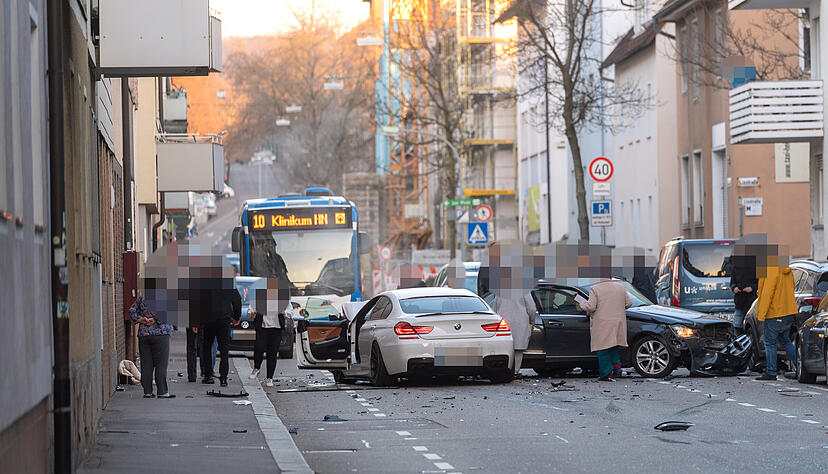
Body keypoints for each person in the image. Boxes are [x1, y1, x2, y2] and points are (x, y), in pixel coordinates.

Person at [578, 279, 632, 381]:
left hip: (603, 322)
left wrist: (582, 303)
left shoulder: (595, 289)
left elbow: (591, 307)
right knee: (613, 346)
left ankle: (606, 374)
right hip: (618, 321)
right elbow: (629, 303)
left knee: (603, 349)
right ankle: (617, 368)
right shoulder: (620, 287)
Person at [755, 248, 797, 381]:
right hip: (788, 311)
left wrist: (761, 314)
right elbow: (792, 288)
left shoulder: (770, 269)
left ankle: (771, 372)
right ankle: (801, 367)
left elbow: (767, 292)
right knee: (786, 341)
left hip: (774, 312)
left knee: (770, 342)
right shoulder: (787, 270)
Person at [201, 267, 242, 386]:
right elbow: (237, 300)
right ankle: (223, 377)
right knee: (224, 349)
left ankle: (208, 375)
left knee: (207, 347)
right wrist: (236, 317)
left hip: (209, 319)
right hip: (224, 319)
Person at [129, 296, 176, 398]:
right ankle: (162, 391)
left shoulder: (142, 298)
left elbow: (132, 311)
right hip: (161, 333)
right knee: (161, 363)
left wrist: (142, 319)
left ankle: (147, 391)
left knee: (146, 364)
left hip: (144, 334)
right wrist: (155, 320)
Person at [730, 240, 759, 335]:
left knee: (751, 325)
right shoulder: (736, 265)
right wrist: (734, 288)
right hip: (740, 300)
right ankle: (739, 344)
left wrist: (752, 288)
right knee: (737, 324)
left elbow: (761, 282)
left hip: (752, 300)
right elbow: (732, 281)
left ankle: (750, 344)